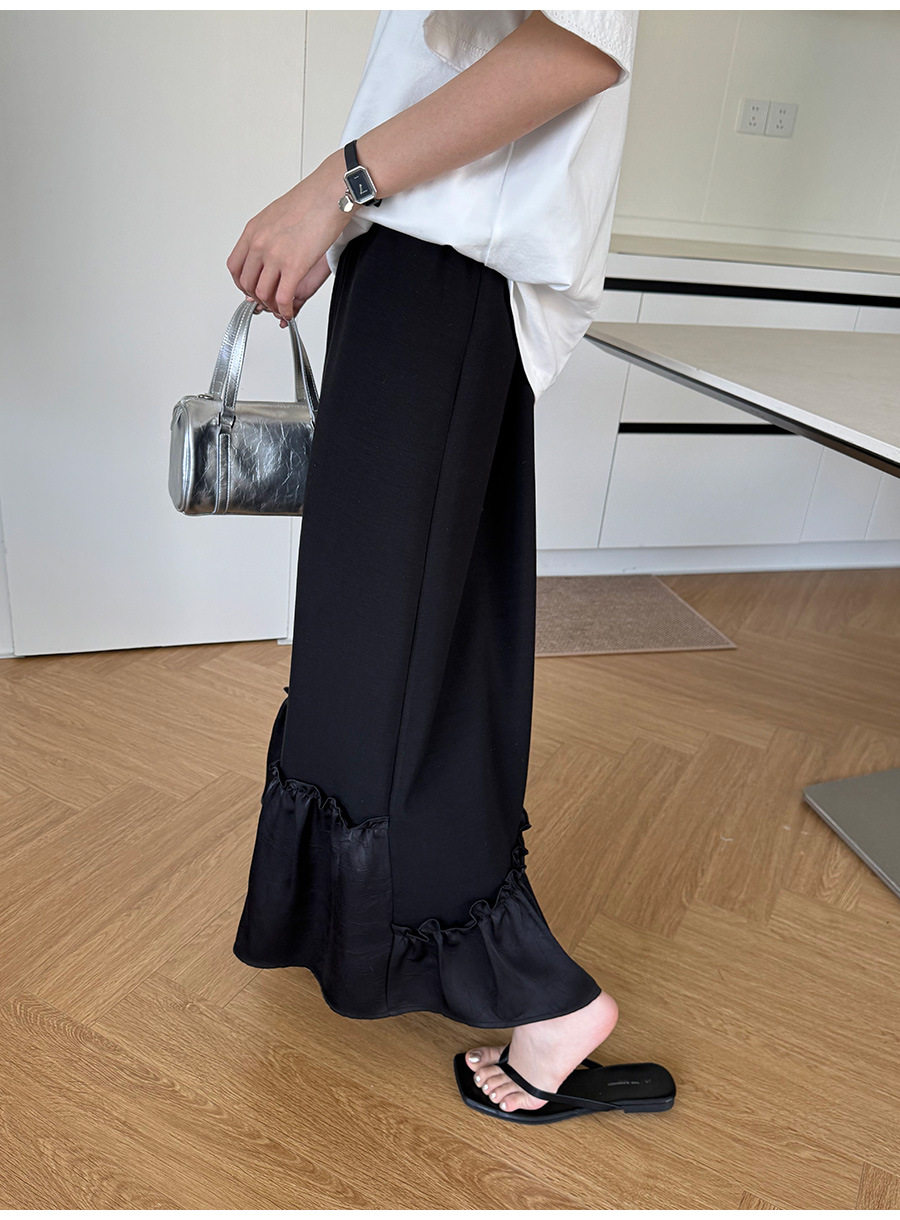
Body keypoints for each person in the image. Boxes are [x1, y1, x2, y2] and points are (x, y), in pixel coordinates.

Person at [227, 10, 641, 1121]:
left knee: (400, 669)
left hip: (445, 267)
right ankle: (393, 937)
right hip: (417, 262)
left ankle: (546, 997)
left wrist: (333, 186)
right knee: (391, 659)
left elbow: (574, 46)